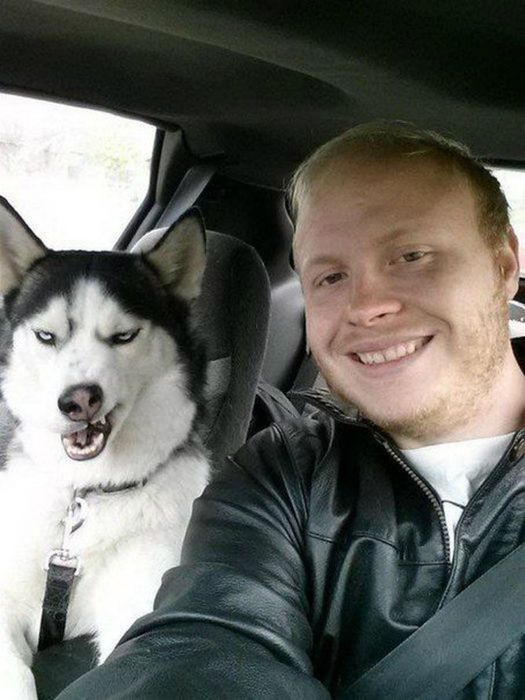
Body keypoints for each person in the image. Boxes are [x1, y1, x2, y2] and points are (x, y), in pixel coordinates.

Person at [58, 123, 525, 698]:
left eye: (411, 256)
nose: (367, 306)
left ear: (504, 264)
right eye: (331, 277)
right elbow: (201, 647)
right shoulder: (282, 473)